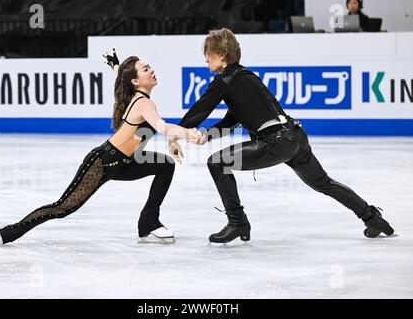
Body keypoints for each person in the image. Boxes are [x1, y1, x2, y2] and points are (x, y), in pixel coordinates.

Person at [169, 28, 394, 243]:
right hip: (295, 138)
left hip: (275, 142)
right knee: (324, 183)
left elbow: (200, 109)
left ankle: (237, 222)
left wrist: (173, 135)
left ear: (222, 54)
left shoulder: (226, 80)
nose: (206, 60)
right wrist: (206, 136)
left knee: (217, 162)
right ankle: (373, 218)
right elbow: (232, 119)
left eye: (208, 55)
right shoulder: (247, 77)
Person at [0, 50, 200, 246]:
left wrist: (115, 65)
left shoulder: (135, 95)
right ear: (135, 81)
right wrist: (188, 133)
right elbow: (162, 127)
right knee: (62, 207)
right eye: (146, 69)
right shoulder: (143, 103)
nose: (152, 70)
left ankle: (149, 222)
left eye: (150, 67)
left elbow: (122, 78)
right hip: (102, 162)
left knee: (165, 165)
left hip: (126, 162)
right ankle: (8, 233)